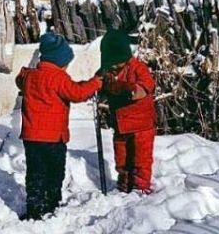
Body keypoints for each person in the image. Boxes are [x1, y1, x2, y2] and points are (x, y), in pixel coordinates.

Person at [16, 31, 103, 220]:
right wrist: (95, 83)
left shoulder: (31, 76)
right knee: (54, 172)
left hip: (31, 138)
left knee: (36, 173)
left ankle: (35, 207)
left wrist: (26, 74)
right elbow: (77, 93)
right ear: (58, 61)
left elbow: (20, 80)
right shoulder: (58, 77)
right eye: (66, 64)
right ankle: (51, 203)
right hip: (53, 138)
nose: (66, 68)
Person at [99, 29, 156, 194]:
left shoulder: (138, 68)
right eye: (111, 63)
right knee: (121, 158)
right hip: (121, 124)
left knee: (141, 159)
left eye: (117, 62)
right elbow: (99, 81)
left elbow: (146, 86)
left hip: (141, 125)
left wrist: (128, 89)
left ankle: (140, 188)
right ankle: (124, 186)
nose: (114, 66)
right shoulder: (108, 71)